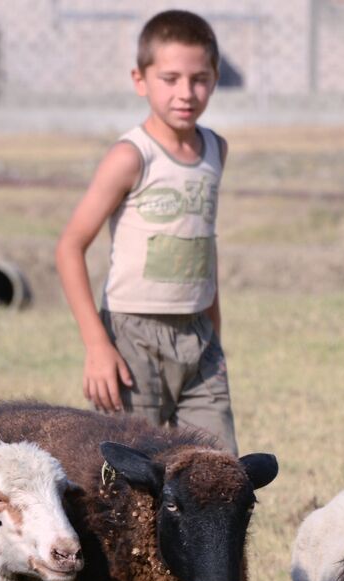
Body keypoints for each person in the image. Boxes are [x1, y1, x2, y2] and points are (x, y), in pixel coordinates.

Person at [56, 9, 238, 453]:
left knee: (217, 472)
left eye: (199, 79)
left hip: (199, 338)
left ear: (215, 79)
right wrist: (98, 345)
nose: (186, 93)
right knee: (128, 476)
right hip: (132, 339)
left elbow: (202, 242)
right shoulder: (131, 156)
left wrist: (213, 329)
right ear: (141, 79)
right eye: (170, 78)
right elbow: (70, 247)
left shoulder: (215, 149)